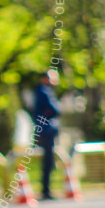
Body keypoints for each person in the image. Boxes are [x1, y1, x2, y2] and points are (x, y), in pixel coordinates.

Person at [31, 70, 61, 200]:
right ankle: (45, 190)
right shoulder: (44, 92)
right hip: (46, 130)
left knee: (49, 161)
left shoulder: (43, 92)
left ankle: (46, 189)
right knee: (48, 161)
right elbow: (55, 109)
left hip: (45, 129)